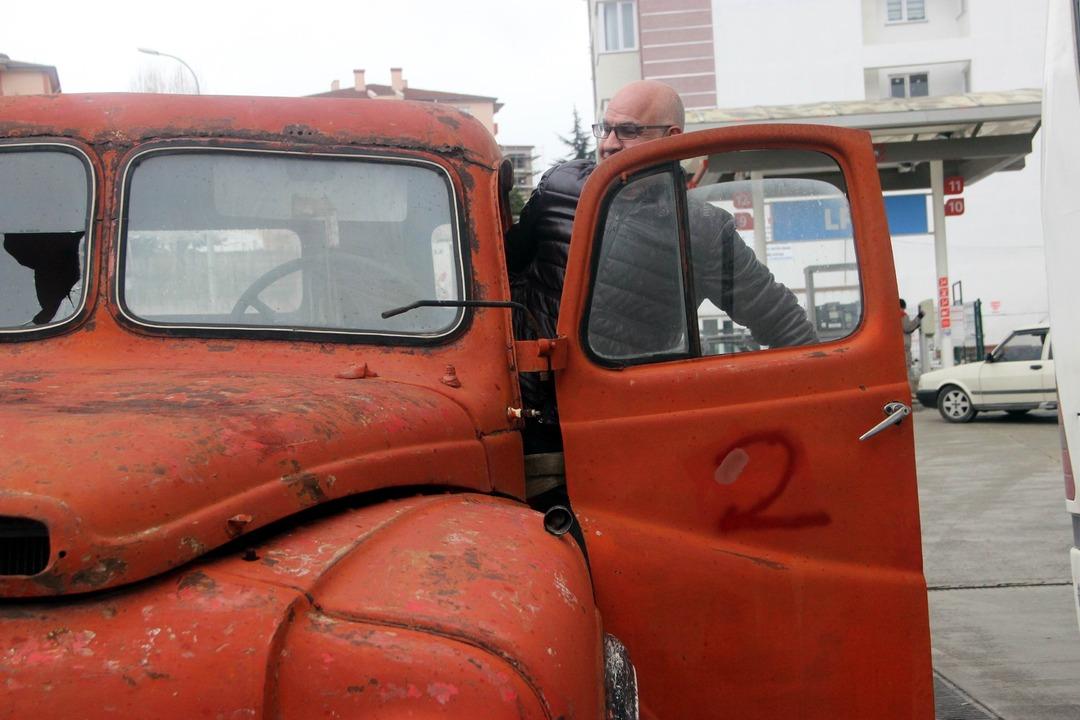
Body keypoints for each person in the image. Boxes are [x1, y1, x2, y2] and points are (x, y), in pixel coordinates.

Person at [507, 80, 816, 445]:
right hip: (515, 412)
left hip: (613, 432)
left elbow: (785, 325)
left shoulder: (699, 229)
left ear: (672, 138)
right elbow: (502, 273)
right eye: (605, 128)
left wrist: (801, 418)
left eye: (628, 131)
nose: (607, 143)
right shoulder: (561, 184)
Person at [900, 298, 924, 392]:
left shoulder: (891, 315)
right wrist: (919, 317)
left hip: (896, 348)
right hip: (904, 348)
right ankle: (910, 392)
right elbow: (908, 328)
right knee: (907, 371)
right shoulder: (902, 314)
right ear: (903, 306)